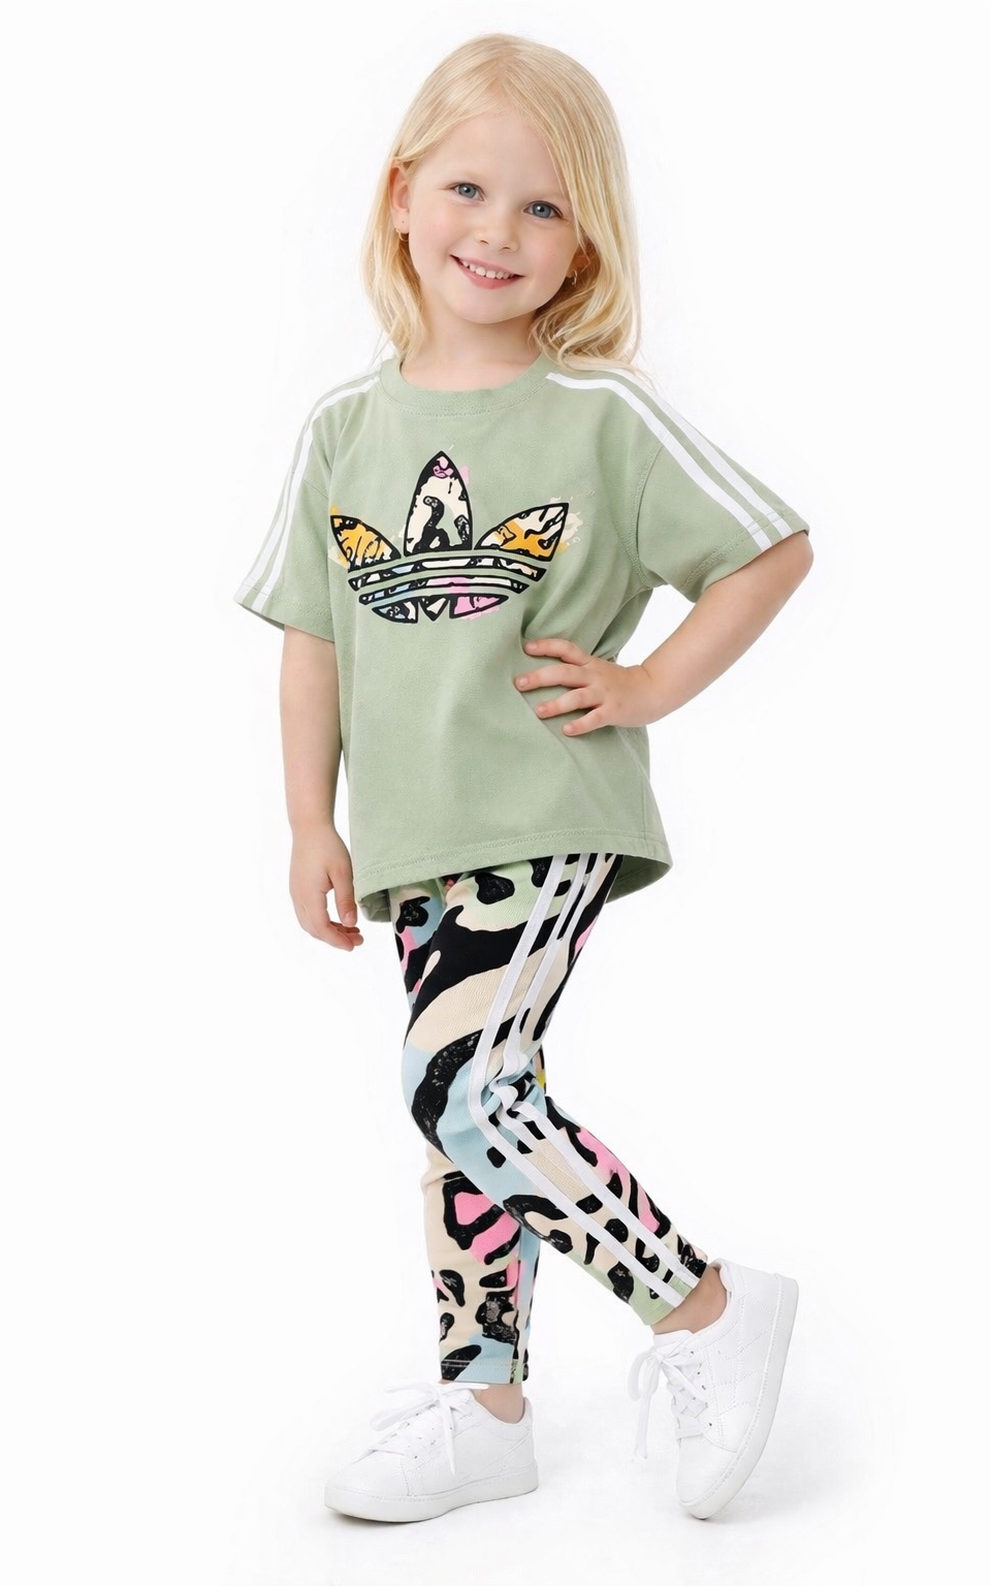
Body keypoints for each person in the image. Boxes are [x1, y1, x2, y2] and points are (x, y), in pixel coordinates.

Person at [233, 31, 814, 1525]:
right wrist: (307, 820)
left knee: (461, 1087)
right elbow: (311, 640)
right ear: (401, 196)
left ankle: (703, 1307)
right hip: (413, 832)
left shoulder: (600, 413)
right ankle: (485, 1405)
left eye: (544, 207)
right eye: (469, 190)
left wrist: (646, 686)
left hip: (545, 809)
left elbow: (768, 550)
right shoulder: (344, 430)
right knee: (467, 1111)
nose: (498, 231)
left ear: (585, 242)